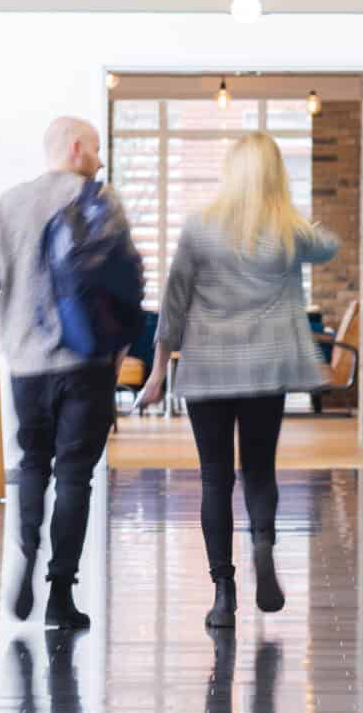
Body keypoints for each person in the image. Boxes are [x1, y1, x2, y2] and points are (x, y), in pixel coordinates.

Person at [136, 130, 339, 630]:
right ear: (275, 175)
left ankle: (223, 594)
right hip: (266, 370)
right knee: (260, 470)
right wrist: (298, 220)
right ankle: (263, 544)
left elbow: (174, 302)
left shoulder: (200, 227)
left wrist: (158, 371)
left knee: (214, 477)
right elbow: (329, 247)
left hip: (207, 368)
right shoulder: (289, 231)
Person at [0, 116, 142, 633]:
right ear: (77, 147)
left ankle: (24, 560)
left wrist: (6, 338)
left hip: (28, 367)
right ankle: (61, 594)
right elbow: (128, 286)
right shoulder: (102, 203)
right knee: (75, 476)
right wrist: (117, 350)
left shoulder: (7, 205)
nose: (100, 162)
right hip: (87, 365)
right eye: (98, 150)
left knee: (32, 465)